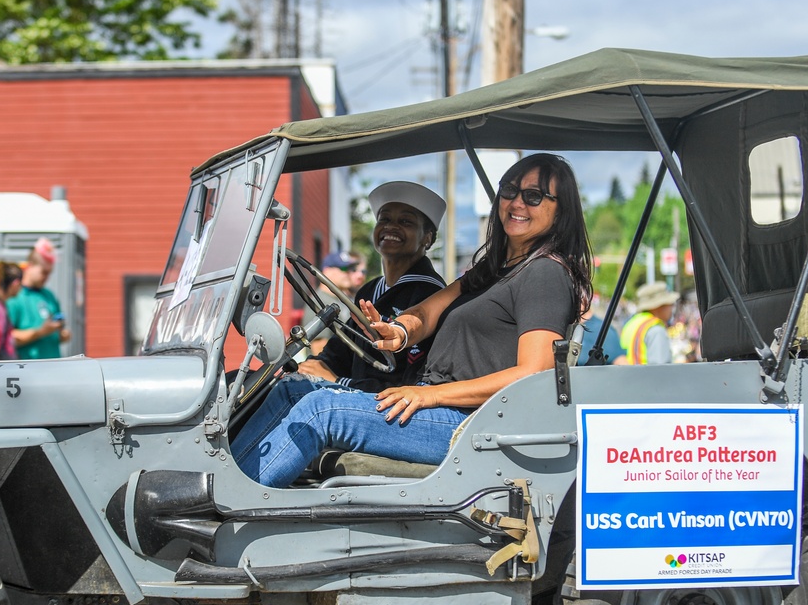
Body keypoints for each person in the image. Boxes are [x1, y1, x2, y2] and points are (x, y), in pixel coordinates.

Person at [232, 153, 592, 487]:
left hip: (473, 423)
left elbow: (535, 373)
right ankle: (222, 481)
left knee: (322, 409)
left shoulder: (545, 273)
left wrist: (429, 395)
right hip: (443, 407)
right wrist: (400, 331)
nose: (516, 203)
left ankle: (233, 502)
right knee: (290, 388)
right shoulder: (494, 270)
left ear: (560, 212)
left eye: (534, 196)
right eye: (510, 191)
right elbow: (427, 311)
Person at [299, 181, 447, 391]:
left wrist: (338, 381)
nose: (390, 226)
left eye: (406, 221)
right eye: (384, 219)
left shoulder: (431, 294)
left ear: (427, 238)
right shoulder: (370, 290)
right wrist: (314, 365)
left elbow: (411, 381)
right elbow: (343, 349)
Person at [8, 237, 71, 359]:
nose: (47, 277)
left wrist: (63, 334)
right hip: (27, 371)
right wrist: (41, 332)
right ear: (30, 266)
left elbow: (57, 333)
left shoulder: (49, 296)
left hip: (53, 369)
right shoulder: (15, 297)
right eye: (44, 272)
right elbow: (8, 338)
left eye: (49, 273)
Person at [301, 250, 360, 355]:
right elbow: (318, 347)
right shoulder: (319, 302)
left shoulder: (339, 300)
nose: (348, 273)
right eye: (343, 268)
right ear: (327, 271)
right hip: (329, 369)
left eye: (350, 269)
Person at [620, 282, 679, 364]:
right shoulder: (656, 330)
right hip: (645, 376)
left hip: (630, 375)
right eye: (670, 304)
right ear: (659, 306)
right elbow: (660, 370)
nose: (672, 307)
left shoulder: (631, 323)